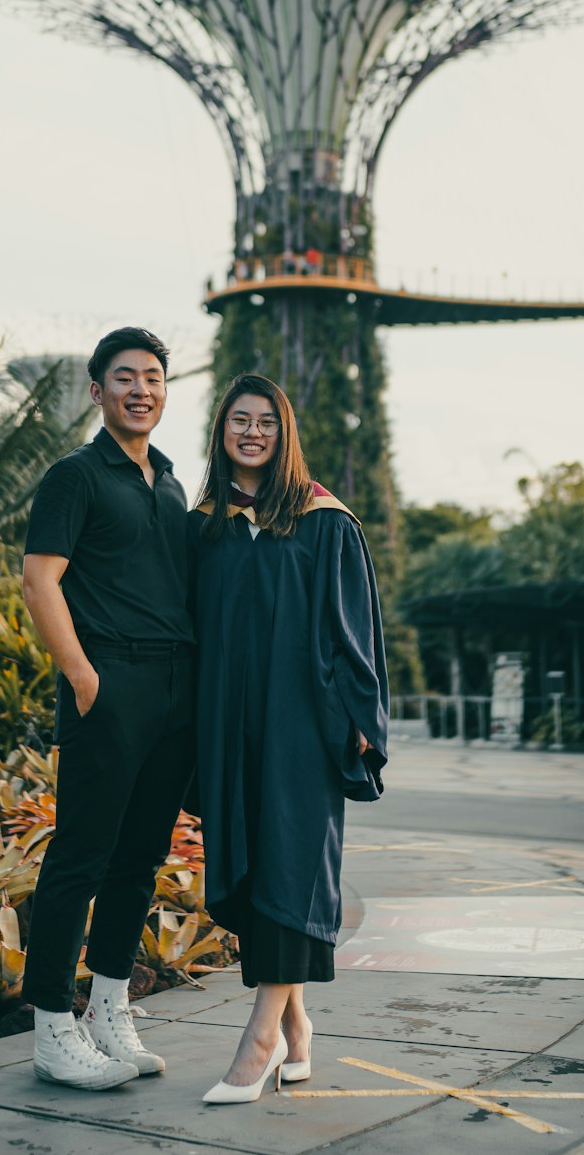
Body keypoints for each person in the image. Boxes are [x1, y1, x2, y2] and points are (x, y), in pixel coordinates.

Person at [188, 372, 388, 1106]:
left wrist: (362, 722)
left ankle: (261, 1037)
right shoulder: (203, 524)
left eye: (265, 421)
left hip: (303, 725)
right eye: (239, 420)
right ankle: (301, 1027)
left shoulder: (324, 519)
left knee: (292, 869)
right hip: (230, 726)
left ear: (284, 432)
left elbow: (354, 626)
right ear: (222, 432)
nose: (252, 432)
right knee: (250, 872)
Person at [20, 326, 196, 1090]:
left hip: (172, 690)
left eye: (153, 377)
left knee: (138, 861)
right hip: (110, 683)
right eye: (124, 377)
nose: (140, 390)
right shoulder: (75, 475)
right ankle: (53, 1030)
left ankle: (109, 1012)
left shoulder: (169, 480)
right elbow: (39, 578)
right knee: (80, 858)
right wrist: (84, 677)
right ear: (97, 392)